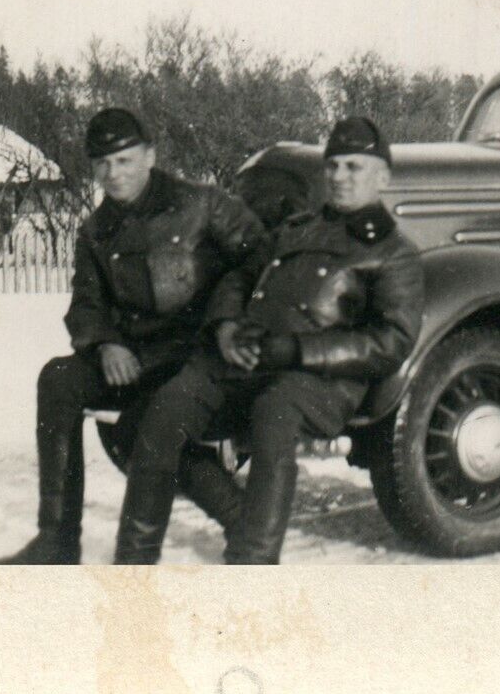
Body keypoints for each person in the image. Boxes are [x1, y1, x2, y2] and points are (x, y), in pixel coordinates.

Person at [110, 116, 424, 564]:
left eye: (354, 167)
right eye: (333, 166)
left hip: (318, 379)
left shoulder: (394, 252)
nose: (339, 177)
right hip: (247, 357)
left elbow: (391, 341)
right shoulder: (296, 228)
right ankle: (136, 563)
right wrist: (225, 326)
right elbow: (240, 275)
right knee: (158, 417)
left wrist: (298, 350)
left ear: (383, 178)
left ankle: (253, 560)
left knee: (274, 415)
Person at [0, 107, 263, 564]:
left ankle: (244, 525)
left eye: (124, 160)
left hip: (201, 352)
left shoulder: (201, 204)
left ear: (149, 156)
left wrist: (228, 318)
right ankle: (57, 539)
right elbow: (86, 303)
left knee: (143, 428)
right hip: (139, 356)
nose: (113, 173)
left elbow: (261, 258)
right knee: (58, 378)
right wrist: (105, 342)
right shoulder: (96, 231)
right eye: (102, 163)